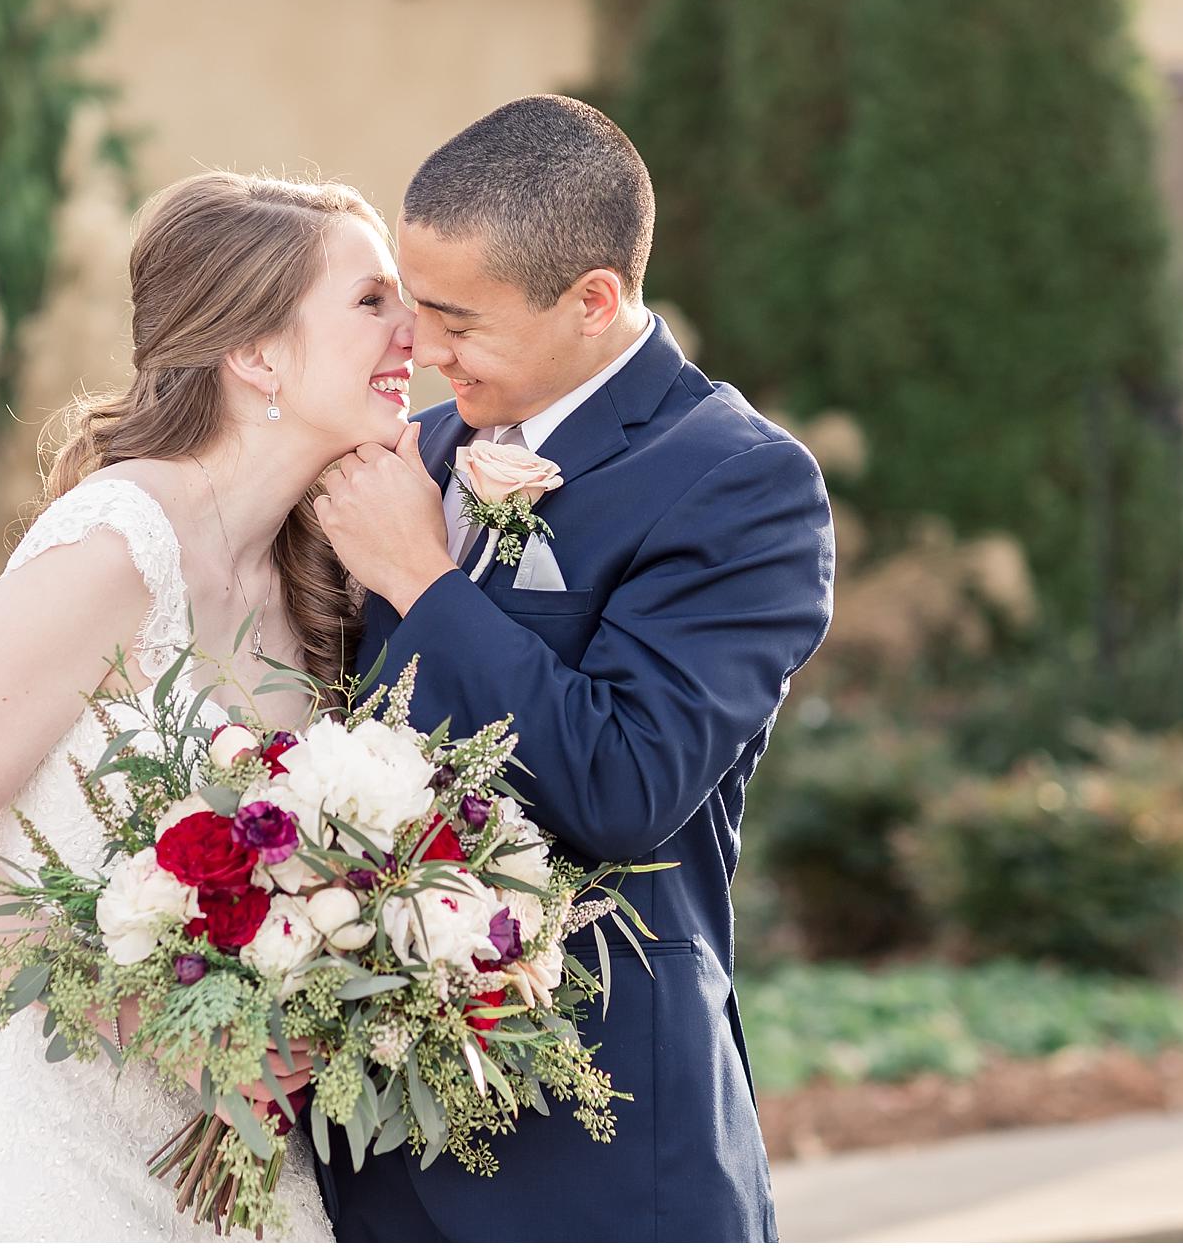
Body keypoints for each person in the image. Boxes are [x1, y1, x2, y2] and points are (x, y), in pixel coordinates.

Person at [312, 94, 836, 1241]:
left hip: (597, 1153)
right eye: (413, 310)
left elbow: (626, 781)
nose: (424, 352)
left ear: (594, 300)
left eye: (458, 321)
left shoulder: (738, 482)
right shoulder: (421, 451)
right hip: (370, 1155)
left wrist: (427, 584)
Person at [0, 171, 419, 1241]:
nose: (413, 332)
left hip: (238, 1155)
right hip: (42, 1139)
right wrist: (170, 1032)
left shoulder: (317, 574)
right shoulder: (115, 549)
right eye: (370, 301)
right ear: (254, 354)